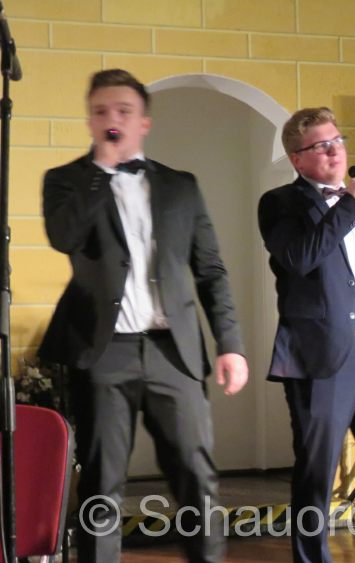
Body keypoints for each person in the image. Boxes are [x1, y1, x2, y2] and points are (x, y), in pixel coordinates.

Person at [39, 68, 249, 562]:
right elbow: (64, 237)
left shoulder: (181, 186)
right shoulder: (66, 181)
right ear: (90, 121)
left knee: (196, 474)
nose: (111, 119)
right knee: (103, 482)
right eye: (100, 111)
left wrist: (230, 344)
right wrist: (101, 171)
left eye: (123, 111)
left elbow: (210, 269)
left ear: (144, 123)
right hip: (103, 351)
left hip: (173, 350)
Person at [257, 107, 355, 563]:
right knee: (318, 467)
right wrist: (349, 203)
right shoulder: (280, 203)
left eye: (338, 140)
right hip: (320, 355)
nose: (335, 150)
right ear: (297, 159)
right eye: (321, 146)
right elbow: (300, 258)